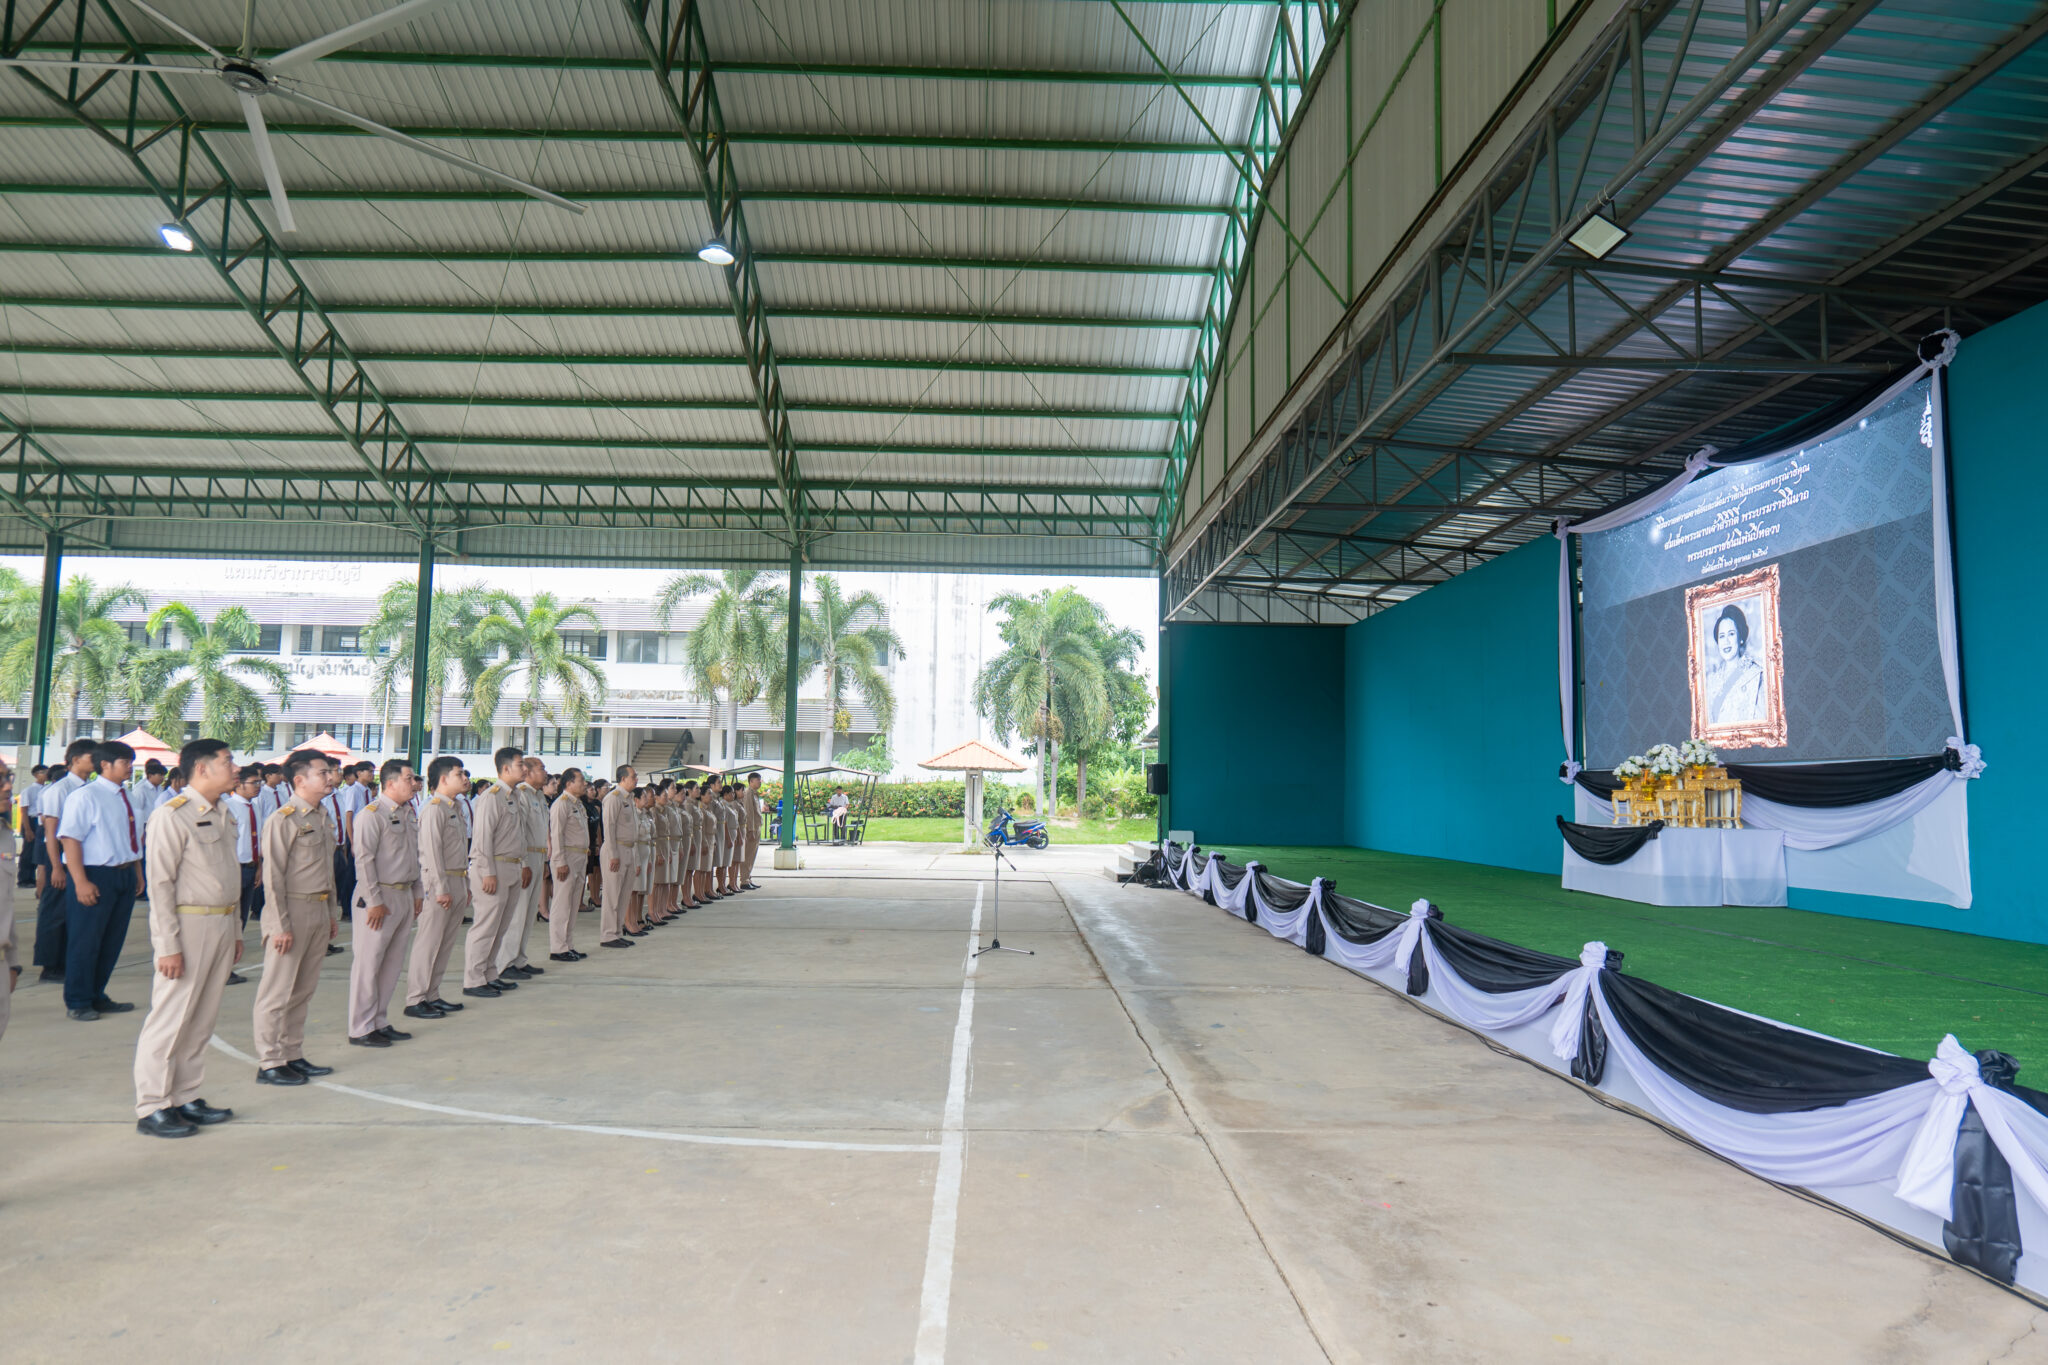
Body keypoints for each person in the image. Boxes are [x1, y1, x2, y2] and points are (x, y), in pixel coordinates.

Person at [133, 737, 244, 1138]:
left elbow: (228, 876)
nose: (236, 768)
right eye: (228, 761)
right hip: (189, 925)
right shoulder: (172, 815)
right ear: (202, 768)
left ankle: (185, 1095)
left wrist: (235, 930)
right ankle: (153, 1105)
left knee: (201, 1019)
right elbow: (160, 885)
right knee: (171, 1018)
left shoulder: (223, 812)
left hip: (221, 922)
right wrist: (167, 945)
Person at [252, 749, 340, 1085]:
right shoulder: (283, 819)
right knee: (277, 992)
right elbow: (273, 877)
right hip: (291, 909)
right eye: (323, 772)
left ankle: (292, 1053)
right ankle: (270, 1062)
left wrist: (330, 913)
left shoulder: (321, 816)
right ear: (300, 780)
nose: (330, 777)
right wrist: (279, 925)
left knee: (303, 989)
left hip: (317, 908)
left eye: (329, 772)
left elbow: (327, 872)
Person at [56, 739, 144, 1021]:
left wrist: (137, 872)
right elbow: (70, 839)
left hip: (124, 873)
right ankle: (78, 1000)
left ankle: (97, 994)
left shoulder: (127, 796)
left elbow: (132, 837)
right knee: (86, 940)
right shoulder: (86, 796)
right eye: (125, 762)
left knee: (111, 940)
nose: (130, 767)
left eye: (131, 762)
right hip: (95, 874)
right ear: (104, 764)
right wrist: (80, 882)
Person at [346, 759, 421, 1049]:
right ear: (390, 783)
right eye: (409, 778)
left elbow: (414, 855)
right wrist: (374, 901)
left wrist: (418, 892)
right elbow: (363, 861)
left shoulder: (407, 812)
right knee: (369, 964)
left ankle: (379, 1020)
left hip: (403, 894)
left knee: (391, 964)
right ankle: (360, 1027)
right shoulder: (371, 815)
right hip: (379, 897)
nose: (414, 784)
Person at [407, 755, 473, 1020]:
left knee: (445, 944)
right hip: (439, 883)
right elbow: (432, 854)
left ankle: (432, 994)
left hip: (456, 878)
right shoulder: (434, 809)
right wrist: (442, 887)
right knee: (429, 942)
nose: (465, 778)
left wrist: (465, 884)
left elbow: (460, 851)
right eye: (460, 774)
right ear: (443, 779)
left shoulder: (455, 807)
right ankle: (416, 998)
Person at [463, 746, 530, 997]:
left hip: (512, 865)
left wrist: (522, 864)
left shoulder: (515, 795)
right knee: (486, 927)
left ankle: (490, 974)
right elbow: (483, 838)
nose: (524, 769)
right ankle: (473, 980)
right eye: (520, 764)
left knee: (501, 926)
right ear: (505, 768)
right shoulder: (491, 797)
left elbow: (517, 835)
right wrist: (488, 872)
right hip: (494, 868)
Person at [33, 738, 96, 982]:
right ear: (75, 760)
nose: (96, 761)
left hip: (80, 856)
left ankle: (67, 962)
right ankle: (50, 966)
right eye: (92, 757)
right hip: (59, 855)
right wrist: (56, 868)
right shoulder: (60, 790)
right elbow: (51, 833)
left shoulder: (90, 788)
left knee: (74, 913)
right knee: (54, 912)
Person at [492, 756, 550, 981]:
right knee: (518, 912)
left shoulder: (539, 796)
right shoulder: (522, 794)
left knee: (528, 912)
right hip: (526, 856)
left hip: (539, 855)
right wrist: (524, 863)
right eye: (541, 769)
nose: (545, 772)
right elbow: (520, 831)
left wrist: (544, 861)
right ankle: (506, 962)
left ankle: (519, 959)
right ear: (529, 772)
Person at [224, 765, 263, 986]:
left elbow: (257, 840)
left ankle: (229, 965)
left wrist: (259, 867)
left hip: (251, 867)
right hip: (234, 868)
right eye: (254, 783)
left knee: (241, 920)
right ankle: (222, 967)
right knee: (229, 919)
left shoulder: (254, 807)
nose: (258, 786)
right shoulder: (228, 807)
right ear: (239, 784)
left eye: (259, 783)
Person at [546, 768, 590, 961]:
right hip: (567, 857)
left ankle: (568, 944)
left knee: (572, 904)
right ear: (569, 783)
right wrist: (560, 861)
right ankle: (558, 948)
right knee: (562, 904)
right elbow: (556, 835)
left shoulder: (578, 804)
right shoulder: (561, 804)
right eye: (581, 780)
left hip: (580, 857)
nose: (584, 784)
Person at [1705, 603, 1768, 725]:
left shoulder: (1756, 675)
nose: (1726, 641)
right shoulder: (1712, 681)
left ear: (1741, 638)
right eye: (1721, 636)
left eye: (1731, 634)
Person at [599, 764, 638, 948]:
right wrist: (613, 854)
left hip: (629, 849)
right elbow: (609, 827)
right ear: (623, 779)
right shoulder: (613, 798)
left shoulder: (628, 798)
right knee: (612, 895)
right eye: (633, 776)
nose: (636, 779)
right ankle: (608, 935)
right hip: (616, 849)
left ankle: (617, 932)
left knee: (623, 895)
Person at [0, 763, 18, 1044]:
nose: (7, 786)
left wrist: (13, 963)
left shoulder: (5, 834)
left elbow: (6, 902)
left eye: (7, 777)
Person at [743, 772, 765, 889]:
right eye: (757, 780)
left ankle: (748, 877)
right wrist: (750, 830)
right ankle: (744, 880)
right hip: (752, 828)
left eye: (760, 780)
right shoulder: (748, 793)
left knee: (752, 855)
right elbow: (749, 813)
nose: (760, 782)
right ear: (751, 781)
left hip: (757, 827)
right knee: (748, 855)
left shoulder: (755, 794)